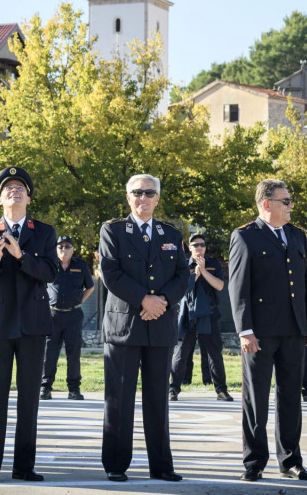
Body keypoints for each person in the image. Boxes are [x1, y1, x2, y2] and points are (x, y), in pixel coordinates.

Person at [229, 178, 307, 482]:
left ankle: (291, 460)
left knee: (291, 397)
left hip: (294, 330)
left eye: (291, 201)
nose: (291, 206)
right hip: (260, 333)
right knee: (256, 398)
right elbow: (238, 289)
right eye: (286, 201)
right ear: (267, 204)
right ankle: (254, 461)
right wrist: (244, 330)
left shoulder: (296, 236)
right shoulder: (245, 237)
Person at [0, 167, 57, 483]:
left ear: (29, 197)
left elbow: (51, 273)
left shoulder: (45, 233)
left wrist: (21, 256)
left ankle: (24, 466)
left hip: (33, 325)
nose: (15, 191)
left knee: (29, 398)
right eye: (8, 188)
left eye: (21, 187)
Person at [100, 174, 188, 482]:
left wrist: (161, 300)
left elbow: (182, 274)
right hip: (124, 325)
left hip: (160, 325)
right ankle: (115, 463)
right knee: (119, 399)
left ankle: (161, 465)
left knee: (157, 399)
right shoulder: (112, 230)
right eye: (137, 192)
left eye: (149, 192)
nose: (143, 197)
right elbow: (111, 273)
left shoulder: (171, 233)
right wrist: (144, 300)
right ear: (128, 197)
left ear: (157, 198)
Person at [169, 233, 231, 402]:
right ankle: (173, 389)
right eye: (195, 245)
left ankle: (221, 390)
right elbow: (182, 289)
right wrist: (195, 274)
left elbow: (219, 285)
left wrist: (203, 271)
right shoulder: (182, 264)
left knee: (214, 354)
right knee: (180, 353)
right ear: (189, 248)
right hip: (187, 314)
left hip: (210, 314)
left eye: (202, 245)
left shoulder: (213, 264)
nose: (199, 248)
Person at [41, 235, 95, 401]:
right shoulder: (50, 264)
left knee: (73, 353)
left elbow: (90, 287)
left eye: (67, 246)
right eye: (60, 247)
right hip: (53, 315)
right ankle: (45, 388)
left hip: (73, 315)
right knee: (49, 353)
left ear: (73, 249)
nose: (64, 249)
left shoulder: (80, 265)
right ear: (56, 249)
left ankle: (74, 389)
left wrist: (78, 301)